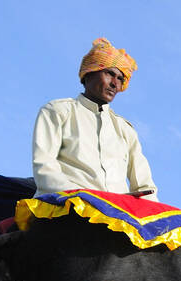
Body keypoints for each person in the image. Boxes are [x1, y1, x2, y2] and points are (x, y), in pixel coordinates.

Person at [32, 38, 158, 198]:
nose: (115, 84)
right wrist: (86, 199)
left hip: (116, 217)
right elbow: (45, 169)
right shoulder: (58, 110)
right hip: (62, 209)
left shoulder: (125, 130)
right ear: (88, 74)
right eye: (110, 74)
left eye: (120, 79)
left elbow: (145, 187)